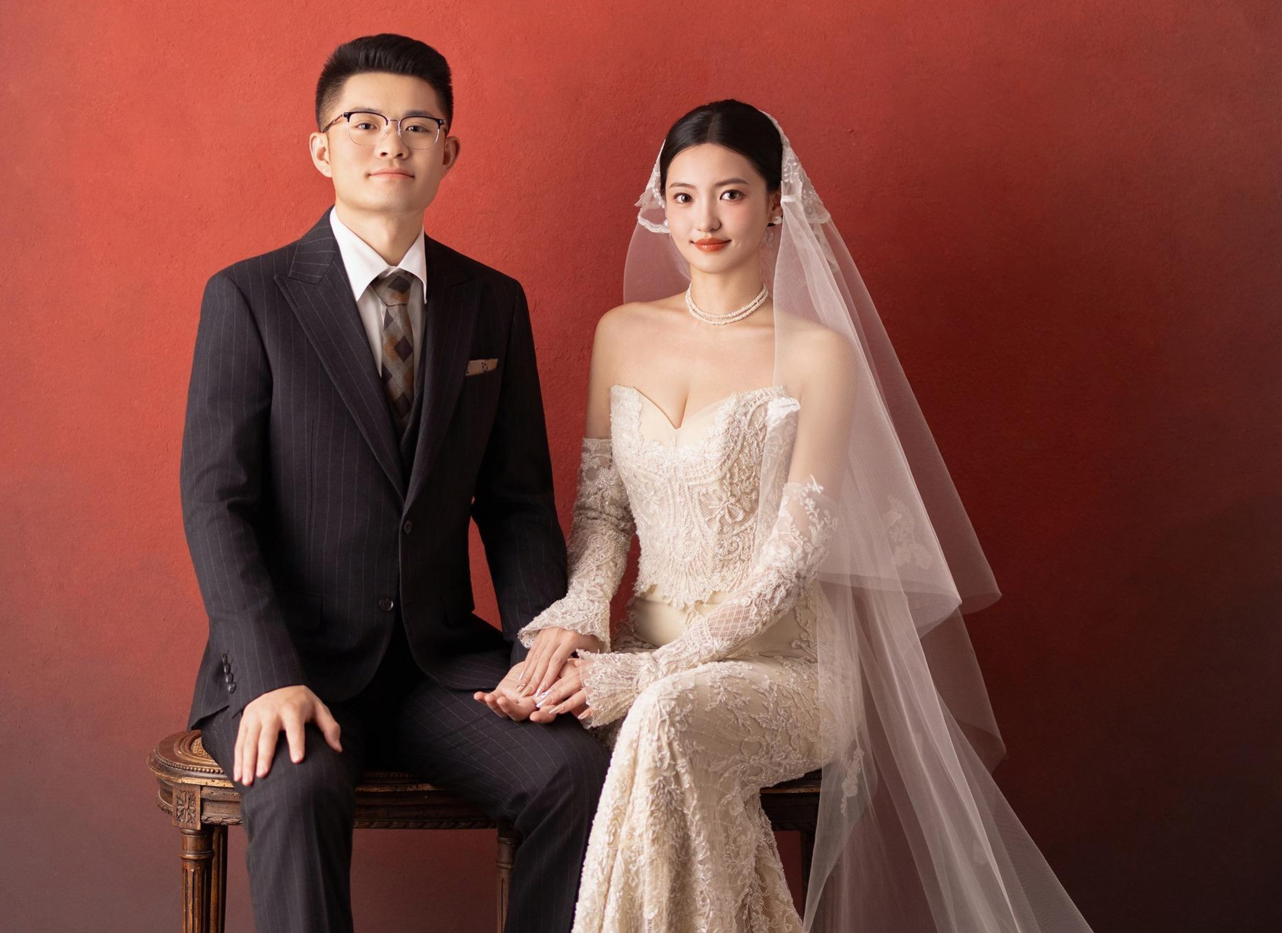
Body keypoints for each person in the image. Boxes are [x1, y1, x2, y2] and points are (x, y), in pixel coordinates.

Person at [480, 100, 1099, 933]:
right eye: (684, 196)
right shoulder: (621, 334)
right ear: (661, 206)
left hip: (787, 667)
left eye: (731, 195)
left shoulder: (817, 352)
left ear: (776, 205)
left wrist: (644, 678)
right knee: (568, 728)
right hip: (644, 647)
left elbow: (789, 564)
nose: (704, 220)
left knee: (664, 718)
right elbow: (601, 514)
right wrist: (580, 620)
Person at [179, 33, 606, 933]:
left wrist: (539, 648)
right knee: (295, 788)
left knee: (573, 771)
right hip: (292, 661)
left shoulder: (493, 301)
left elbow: (517, 501)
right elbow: (218, 504)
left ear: (449, 152)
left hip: (438, 665)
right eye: (364, 122)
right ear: (321, 148)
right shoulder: (249, 296)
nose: (391, 143)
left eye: (418, 126)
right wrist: (267, 675)